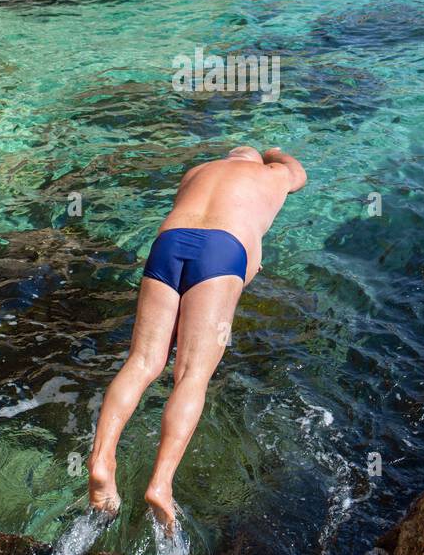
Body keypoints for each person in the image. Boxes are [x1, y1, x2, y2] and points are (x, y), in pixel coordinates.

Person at [87, 144, 307, 528]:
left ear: (228, 158)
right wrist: (276, 153)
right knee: (191, 375)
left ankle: (102, 459)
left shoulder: (198, 171)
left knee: (141, 362)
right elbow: (297, 175)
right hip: (222, 249)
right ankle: (161, 484)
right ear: (257, 161)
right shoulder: (270, 174)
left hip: (169, 244)